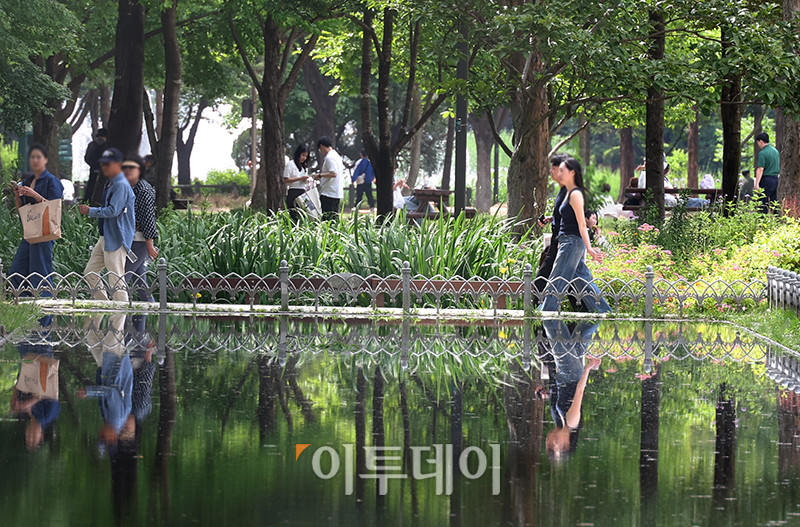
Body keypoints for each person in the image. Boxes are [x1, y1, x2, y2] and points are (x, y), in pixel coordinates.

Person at [541, 157, 611, 313]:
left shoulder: (575, 195)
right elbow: (566, 221)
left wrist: (590, 249)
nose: (558, 174)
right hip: (568, 242)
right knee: (584, 282)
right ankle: (607, 315)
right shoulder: (567, 192)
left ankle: (543, 316)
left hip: (573, 243)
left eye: (562, 171)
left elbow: (581, 224)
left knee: (556, 281)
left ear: (572, 172)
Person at [78, 148, 136, 302]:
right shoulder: (111, 183)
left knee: (116, 279)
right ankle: (104, 304)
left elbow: (113, 211)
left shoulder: (121, 185)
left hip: (117, 238)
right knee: (90, 273)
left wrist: (91, 211)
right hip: (105, 237)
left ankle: (120, 313)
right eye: (103, 164)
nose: (104, 167)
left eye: (107, 164)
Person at [9, 144, 64, 297]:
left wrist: (35, 195)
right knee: (16, 272)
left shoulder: (52, 181)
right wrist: (17, 196)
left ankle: (45, 308)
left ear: (45, 159)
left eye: (38, 157)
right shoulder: (28, 180)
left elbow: (54, 208)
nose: (35, 160)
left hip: (45, 231)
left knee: (40, 273)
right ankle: (24, 304)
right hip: (31, 231)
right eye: (32, 157)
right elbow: (24, 210)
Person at [542, 319, 601, 462]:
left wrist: (556, 377)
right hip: (571, 373)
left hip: (566, 374)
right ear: (567, 444)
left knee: (583, 331)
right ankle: (601, 309)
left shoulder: (562, 421)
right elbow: (579, 391)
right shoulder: (572, 422)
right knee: (551, 325)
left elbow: (562, 392)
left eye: (550, 445)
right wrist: (588, 368)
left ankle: (597, 307)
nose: (552, 441)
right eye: (557, 445)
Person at [123, 155, 158, 301]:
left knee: (121, 280)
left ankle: (116, 318)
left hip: (139, 240)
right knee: (140, 282)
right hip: (132, 238)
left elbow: (148, 217)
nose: (127, 172)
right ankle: (150, 314)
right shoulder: (132, 187)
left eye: (132, 168)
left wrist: (149, 244)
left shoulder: (143, 190)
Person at [312, 136, 344, 220]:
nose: (321, 152)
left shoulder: (329, 157)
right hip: (336, 192)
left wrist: (319, 175)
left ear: (322, 146)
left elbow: (333, 173)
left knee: (327, 219)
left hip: (328, 193)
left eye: (320, 149)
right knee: (333, 217)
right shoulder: (336, 156)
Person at [284, 144, 310, 221]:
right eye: (303, 155)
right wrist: (299, 178)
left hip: (302, 191)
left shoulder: (304, 167)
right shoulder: (291, 164)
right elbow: (286, 179)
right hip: (293, 191)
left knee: (302, 214)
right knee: (293, 214)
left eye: (306, 156)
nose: (304, 158)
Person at [755, 132, 780, 211]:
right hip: (776, 179)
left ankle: (762, 220)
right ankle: (776, 219)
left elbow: (760, 169)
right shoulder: (775, 151)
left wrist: (757, 183)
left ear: (761, 141)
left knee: (763, 202)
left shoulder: (762, 153)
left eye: (758, 142)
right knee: (774, 202)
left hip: (766, 179)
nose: (758, 144)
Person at [84, 128, 108, 205]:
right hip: (104, 172)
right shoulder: (107, 146)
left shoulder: (91, 145)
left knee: (90, 188)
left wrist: (93, 165)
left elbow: (87, 158)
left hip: (93, 169)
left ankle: (87, 203)